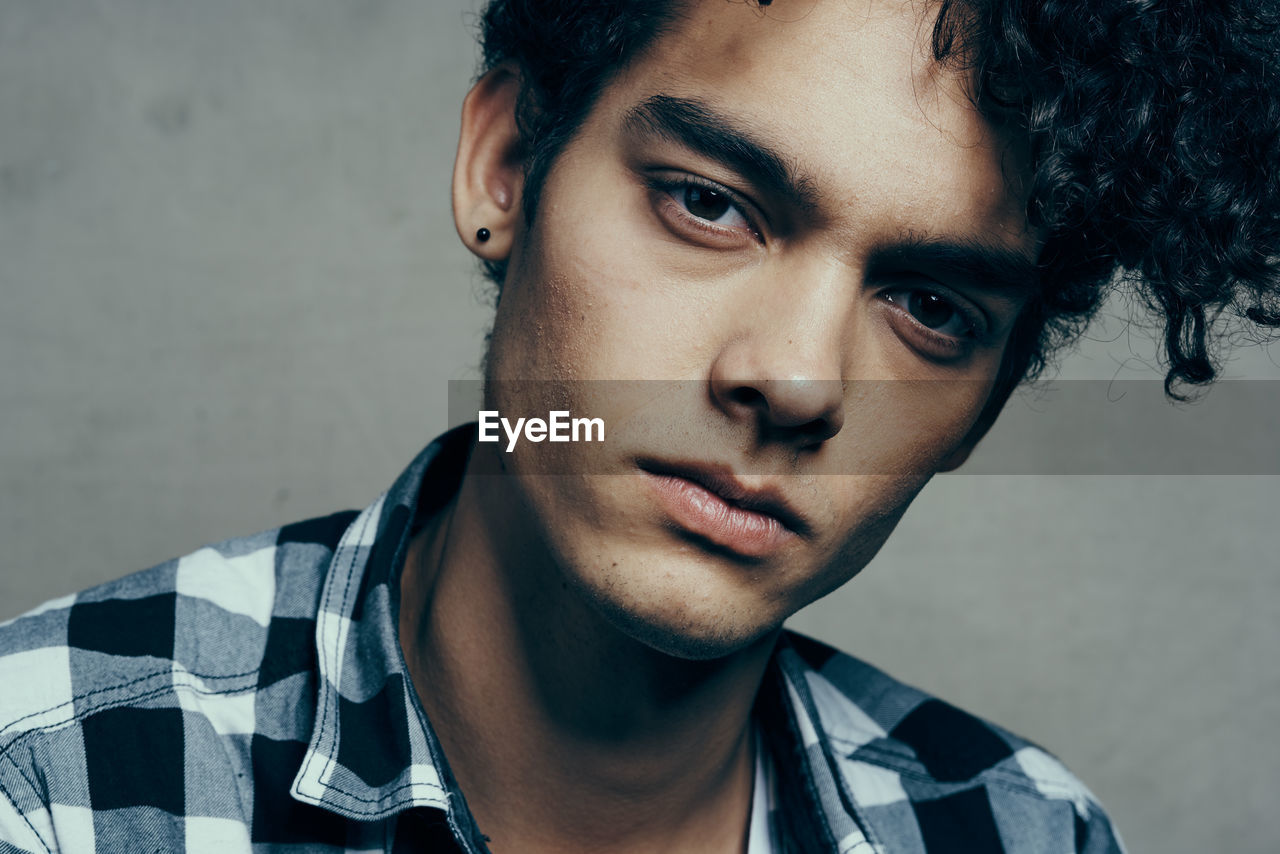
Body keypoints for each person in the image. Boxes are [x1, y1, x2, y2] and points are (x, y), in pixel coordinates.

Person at [1, 0, 1276, 851]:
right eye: (709, 204)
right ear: (505, 168)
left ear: (982, 405)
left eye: (930, 305)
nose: (791, 379)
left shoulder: (1018, 830)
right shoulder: (56, 775)